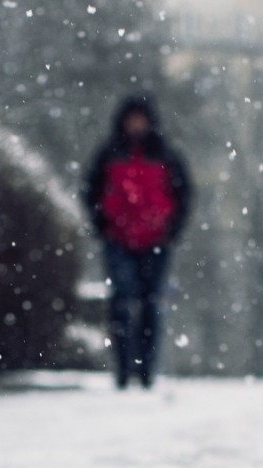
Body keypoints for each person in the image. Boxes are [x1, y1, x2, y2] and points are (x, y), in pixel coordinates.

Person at [84, 95, 191, 389]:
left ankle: (145, 372)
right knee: (121, 302)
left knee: (149, 305)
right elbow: (91, 190)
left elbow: (183, 195)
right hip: (118, 238)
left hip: (156, 240)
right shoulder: (109, 153)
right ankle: (122, 370)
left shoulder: (166, 155)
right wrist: (103, 226)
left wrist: (171, 230)